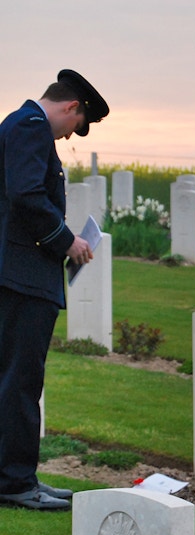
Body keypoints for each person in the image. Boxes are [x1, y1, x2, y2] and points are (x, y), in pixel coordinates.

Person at [0, 70, 109, 510]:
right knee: (21, 381)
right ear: (71, 108)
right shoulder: (30, 127)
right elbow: (27, 195)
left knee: (13, 380)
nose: (67, 137)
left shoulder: (17, 124)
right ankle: (15, 483)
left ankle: (17, 475)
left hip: (17, 273)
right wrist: (69, 241)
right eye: (74, 128)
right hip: (24, 277)